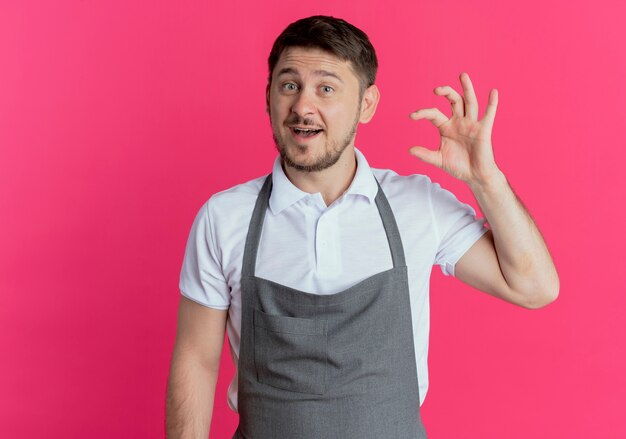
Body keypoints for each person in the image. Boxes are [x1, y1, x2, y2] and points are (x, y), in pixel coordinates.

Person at [165, 15, 559, 439]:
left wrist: (486, 180)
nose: (302, 107)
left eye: (326, 88)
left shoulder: (417, 205)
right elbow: (196, 362)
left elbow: (534, 287)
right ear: (269, 97)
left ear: (366, 105)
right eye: (289, 85)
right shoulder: (224, 217)